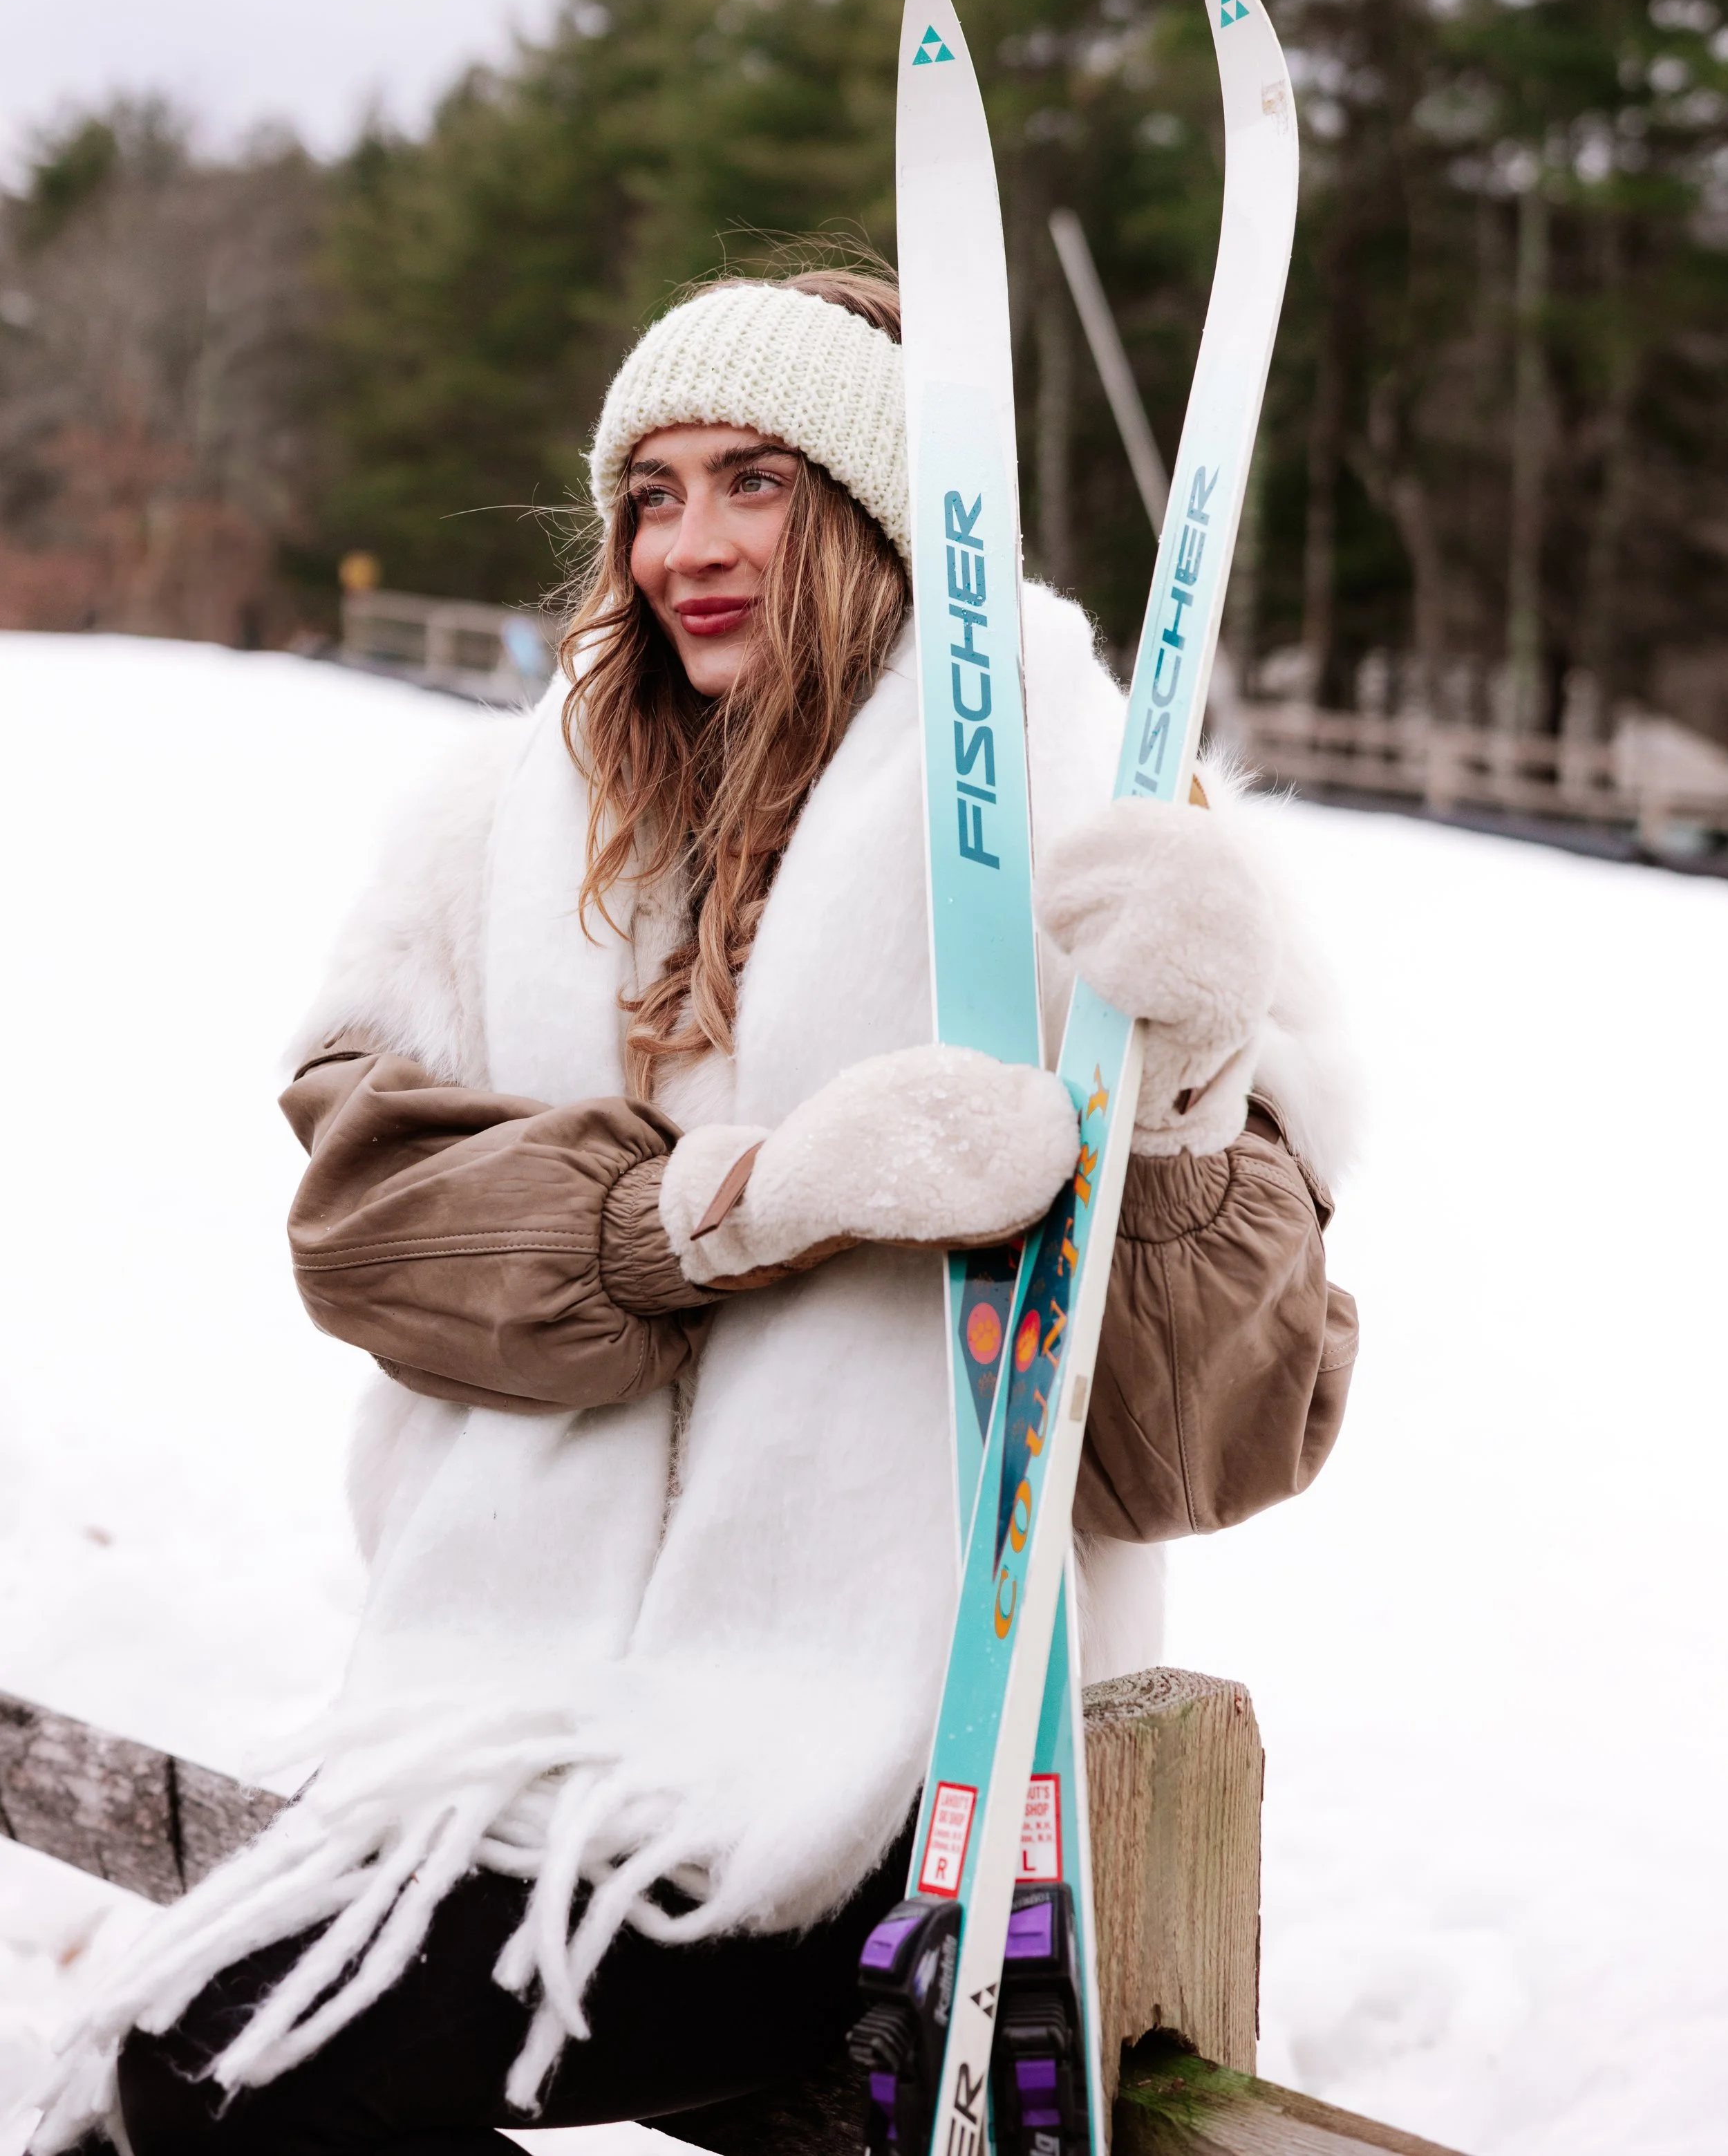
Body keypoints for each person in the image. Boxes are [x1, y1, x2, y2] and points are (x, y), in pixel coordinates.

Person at [39, 268, 1358, 2156]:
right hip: (499, 1733)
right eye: (649, 491)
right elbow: (365, 1229)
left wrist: (1184, 1088)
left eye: (755, 478)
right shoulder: (507, 823)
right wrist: (728, 1205)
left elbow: (1196, 1441)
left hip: (873, 1794)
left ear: (885, 511)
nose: (687, 543)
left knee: (207, 2086)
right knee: (161, 2081)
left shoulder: (1106, 836)